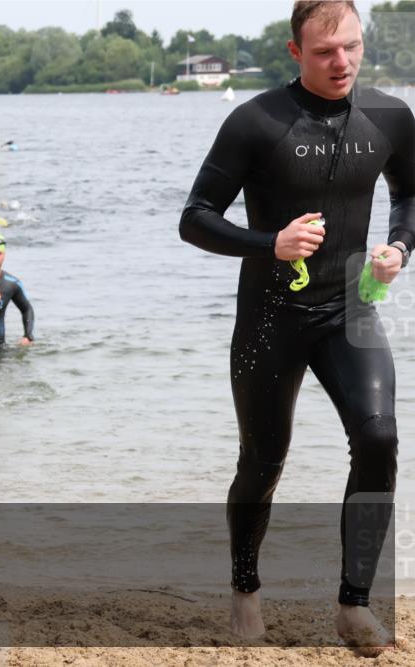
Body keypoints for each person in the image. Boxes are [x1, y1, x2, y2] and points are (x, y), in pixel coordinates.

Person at [179, 0, 413, 651]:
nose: (342, 62)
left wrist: (399, 247)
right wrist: (270, 243)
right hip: (270, 316)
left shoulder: (390, 116)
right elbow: (195, 217)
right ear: (295, 52)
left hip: (350, 310)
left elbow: (410, 193)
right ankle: (245, 591)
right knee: (263, 461)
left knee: (379, 437)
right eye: (324, 51)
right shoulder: (257, 121)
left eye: (351, 46)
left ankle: (354, 605)